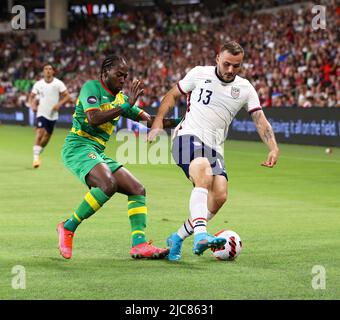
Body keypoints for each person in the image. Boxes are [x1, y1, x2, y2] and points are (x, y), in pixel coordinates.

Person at [148, 41, 280, 261]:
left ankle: (177, 237)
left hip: (215, 147)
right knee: (202, 169)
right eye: (226, 64)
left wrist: (273, 147)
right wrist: (158, 121)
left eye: (236, 66)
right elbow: (172, 94)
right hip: (186, 136)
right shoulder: (199, 74)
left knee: (219, 195)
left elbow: (259, 119)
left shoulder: (245, 88)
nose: (230, 70)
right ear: (218, 58)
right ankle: (201, 234)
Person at [57, 54, 178, 260]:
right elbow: (93, 118)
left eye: (126, 76)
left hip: (96, 152)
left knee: (137, 189)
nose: (123, 79)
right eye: (119, 75)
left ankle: (139, 244)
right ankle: (68, 227)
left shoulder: (122, 99)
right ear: (105, 73)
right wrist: (125, 106)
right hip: (77, 147)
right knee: (108, 184)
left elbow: (151, 121)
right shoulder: (92, 88)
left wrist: (185, 120)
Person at [28, 64, 72, 168]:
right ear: (43, 72)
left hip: (53, 114)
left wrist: (59, 104)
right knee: (40, 132)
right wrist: (33, 105)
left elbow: (67, 96)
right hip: (41, 112)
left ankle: (38, 151)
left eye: (50, 69)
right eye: (46, 69)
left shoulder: (58, 83)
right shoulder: (38, 84)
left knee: (47, 137)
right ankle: (35, 158)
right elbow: (31, 97)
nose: (48, 71)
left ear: (53, 72)